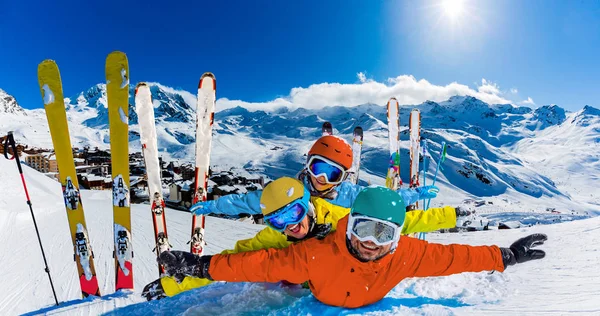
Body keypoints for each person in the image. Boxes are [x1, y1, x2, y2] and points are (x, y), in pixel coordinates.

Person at [159, 186, 547, 309]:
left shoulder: (408, 254)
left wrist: (504, 256)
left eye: (383, 235)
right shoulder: (316, 253)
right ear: (349, 225)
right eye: (363, 229)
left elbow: (452, 257)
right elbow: (254, 264)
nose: (369, 243)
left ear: (397, 237)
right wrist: (199, 266)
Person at [143, 177, 463, 300]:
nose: (290, 226)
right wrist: (174, 283)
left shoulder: (338, 218)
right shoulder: (275, 238)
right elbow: (231, 263)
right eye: (278, 221)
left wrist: (453, 215)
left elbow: (407, 222)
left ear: (308, 205)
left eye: (294, 214)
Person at [188, 135, 439, 218]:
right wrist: (213, 205)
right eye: (318, 168)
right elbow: (249, 201)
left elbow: (384, 199)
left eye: (333, 174)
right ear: (307, 165)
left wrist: (414, 193)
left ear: (342, 178)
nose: (322, 179)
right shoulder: (293, 190)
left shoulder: (349, 195)